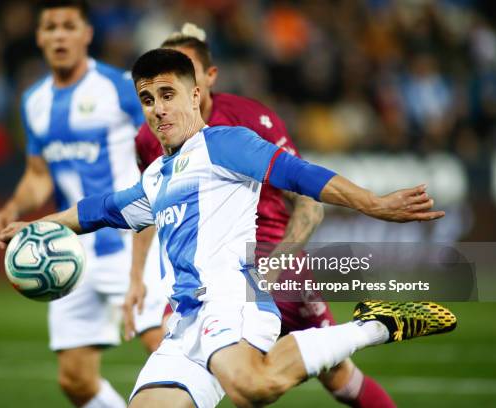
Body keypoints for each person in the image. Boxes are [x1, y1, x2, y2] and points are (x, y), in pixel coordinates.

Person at [0, 48, 456, 408]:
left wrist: (373, 203)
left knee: (251, 388)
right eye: (147, 99)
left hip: (235, 300)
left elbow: (300, 174)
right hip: (186, 322)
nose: (157, 109)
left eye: (167, 94)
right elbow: (100, 209)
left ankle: (374, 325)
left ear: (195, 94)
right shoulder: (156, 176)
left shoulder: (224, 144)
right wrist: (36, 226)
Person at [124, 23, 396, 407]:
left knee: (336, 374)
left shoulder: (251, 121)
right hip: (206, 273)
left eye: (181, 75)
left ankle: (371, 328)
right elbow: (147, 207)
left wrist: (272, 267)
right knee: (171, 349)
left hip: (270, 253)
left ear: (204, 79)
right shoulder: (151, 136)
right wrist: (137, 279)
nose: (165, 97)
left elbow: (308, 201)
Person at [0, 1, 165, 406]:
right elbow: (38, 174)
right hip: (70, 252)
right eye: (51, 27)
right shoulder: (34, 101)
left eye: (69, 26)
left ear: (87, 33)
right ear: (39, 37)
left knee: (163, 346)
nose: (60, 35)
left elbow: (159, 158)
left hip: (133, 242)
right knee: (76, 380)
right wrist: (12, 207)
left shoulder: (121, 87)